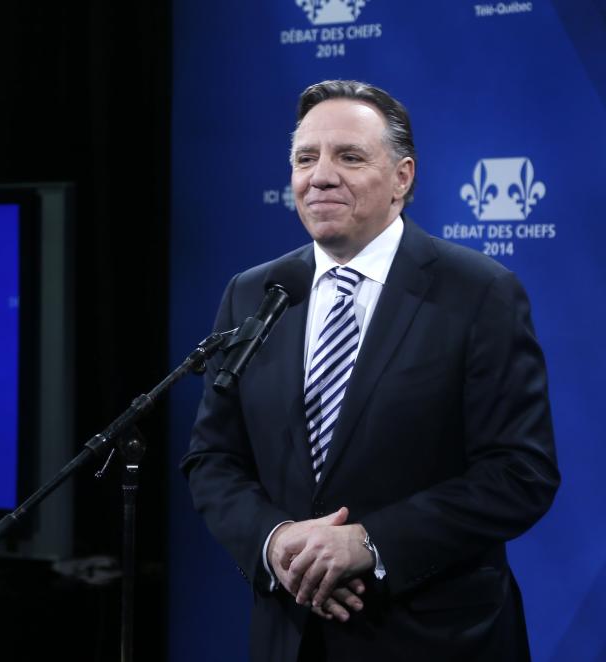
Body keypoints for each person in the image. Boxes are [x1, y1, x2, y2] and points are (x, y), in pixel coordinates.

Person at [181, 80, 559, 661]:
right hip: (294, 635)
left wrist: (368, 543)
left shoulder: (479, 291)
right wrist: (277, 542)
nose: (321, 176)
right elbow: (213, 457)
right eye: (305, 158)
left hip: (435, 636)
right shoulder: (255, 292)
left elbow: (519, 472)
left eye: (349, 157)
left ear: (402, 178)